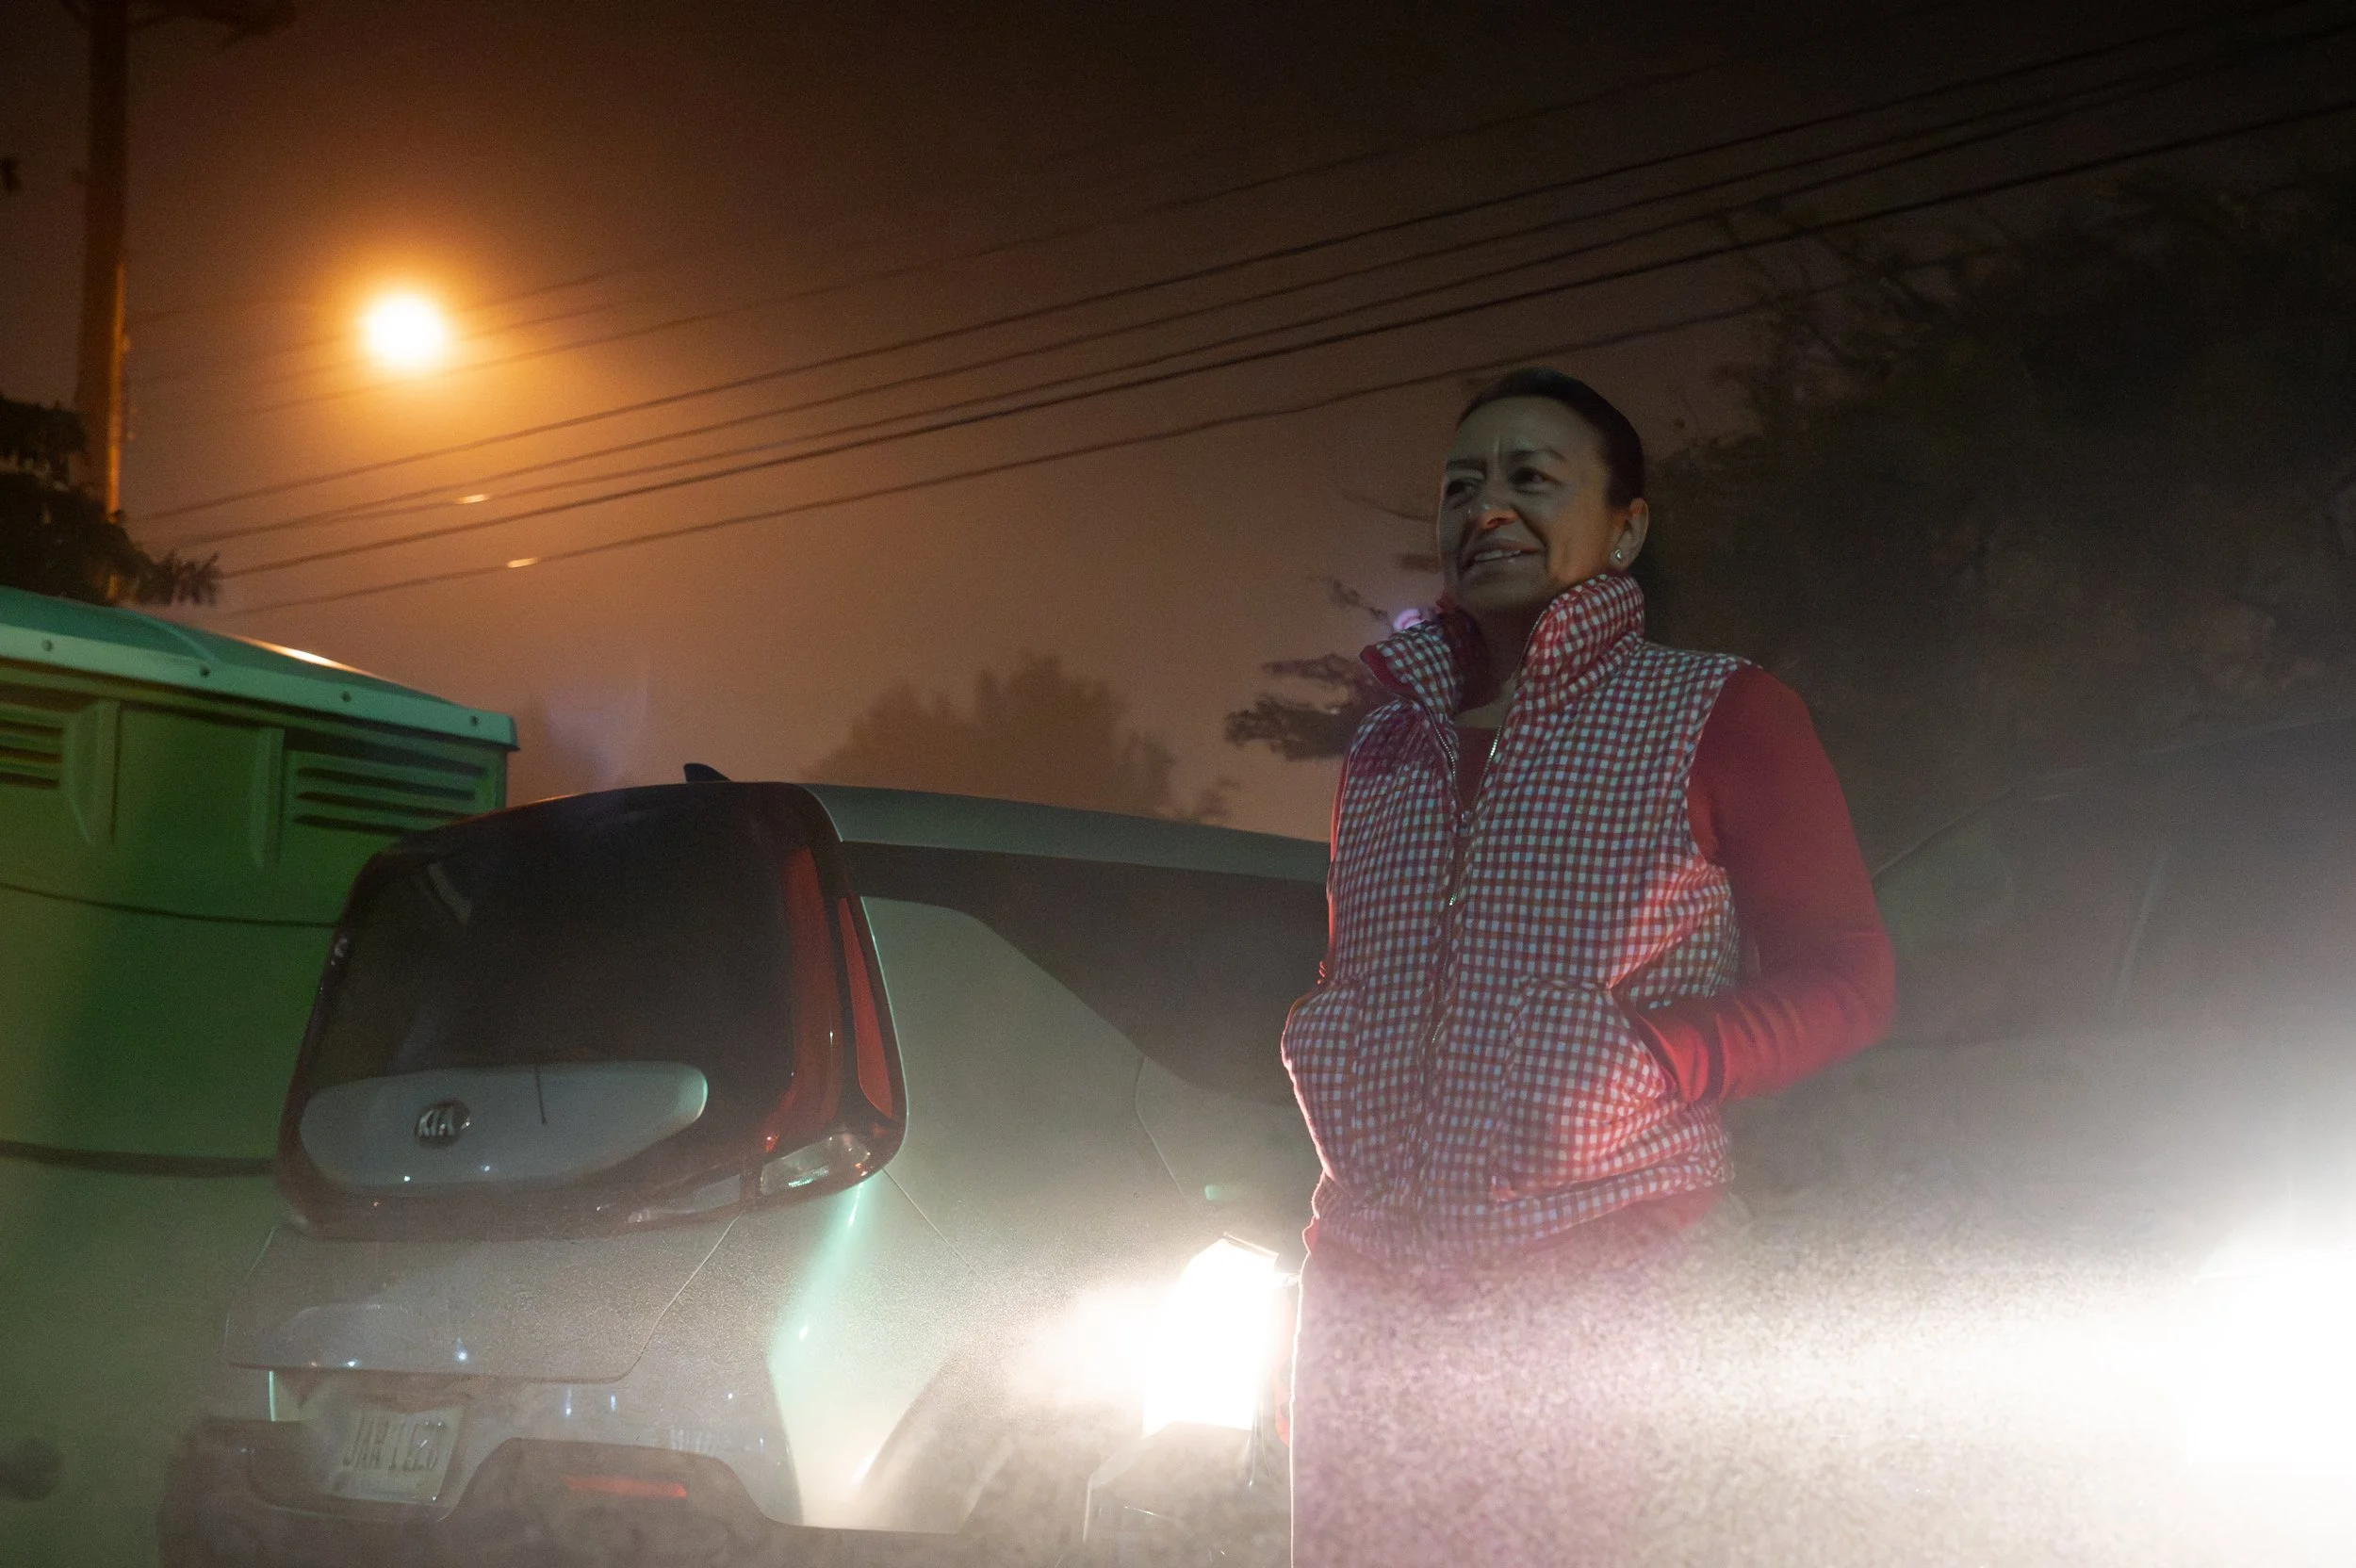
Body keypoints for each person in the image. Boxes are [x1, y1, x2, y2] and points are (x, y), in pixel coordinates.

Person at [1282, 368, 1894, 1566]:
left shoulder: (1720, 709)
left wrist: (1652, 1056)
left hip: (1608, 1271)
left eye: (1529, 477)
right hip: (1365, 1281)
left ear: (1627, 525)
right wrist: (1329, 1031)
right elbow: (1361, 958)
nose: (1485, 508)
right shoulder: (1388, 739)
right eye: (1461, 485)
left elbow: (1848, 975)